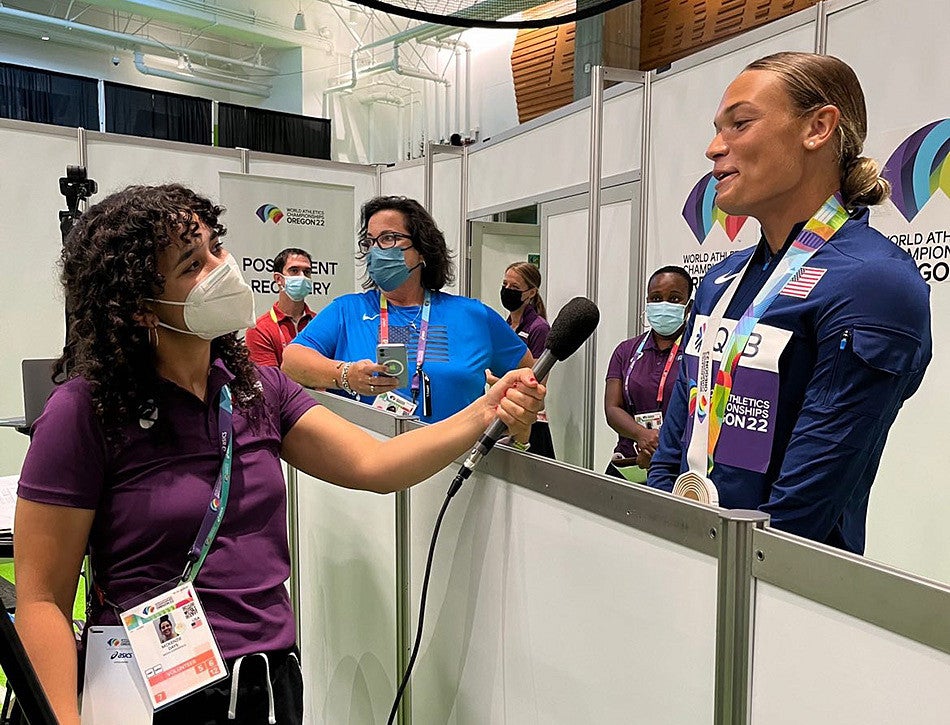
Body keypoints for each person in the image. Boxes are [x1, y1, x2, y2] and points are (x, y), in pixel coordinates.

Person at [13, 184, 544, 725]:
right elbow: (41, 601)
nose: (223, 268)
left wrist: (486, 410)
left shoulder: (256, 391)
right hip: (147, 690)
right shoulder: (85, 411)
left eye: (216, 247)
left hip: (268, 681)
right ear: (142, 308)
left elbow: (375, 464)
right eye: (193, 264)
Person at [647, 52, 932, 555]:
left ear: (818, 128)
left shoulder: (872, 285)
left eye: (740, 124)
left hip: (775, 590)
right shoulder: (719, 280)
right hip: (683, 554)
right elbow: (677, 438)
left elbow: (802, 509)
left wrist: (733, 572)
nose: (715, 148)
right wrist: (659, 538)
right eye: (718, 129)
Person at [283, 196, 533, 425]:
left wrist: (513, 424)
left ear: (422, 250)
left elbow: (528, 375)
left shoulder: (474, 316)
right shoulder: (347, 310)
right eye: (370, 241)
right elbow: (292, 361)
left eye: (389, 238)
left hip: (454, 464)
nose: (376, 249)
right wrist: (346, 375)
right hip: (365, 459)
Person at [604, 265, 691, 482]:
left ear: (689, 306)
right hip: (629, 462)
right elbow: (612, 408)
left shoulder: (697, 352)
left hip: (676, 467)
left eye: (674, 298)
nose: (664, 304)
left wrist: (660, 449)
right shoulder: (626, 351)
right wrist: (642, 435)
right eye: (656, 298)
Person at [500, 261, 555, 458]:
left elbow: (538, 381)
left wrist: (493, 380)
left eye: (514, 287)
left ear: (531, 292)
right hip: (504, 412)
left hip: (530, 421)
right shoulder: (506, 325)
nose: (507, 291)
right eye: (505, 285)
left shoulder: (539, 328)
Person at [245, 247, 316, 367]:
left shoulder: (319, 322)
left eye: (307, 272)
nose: (302, 277)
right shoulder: (259, 329)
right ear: (279, 279)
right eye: (294, 270)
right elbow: (271, 381)